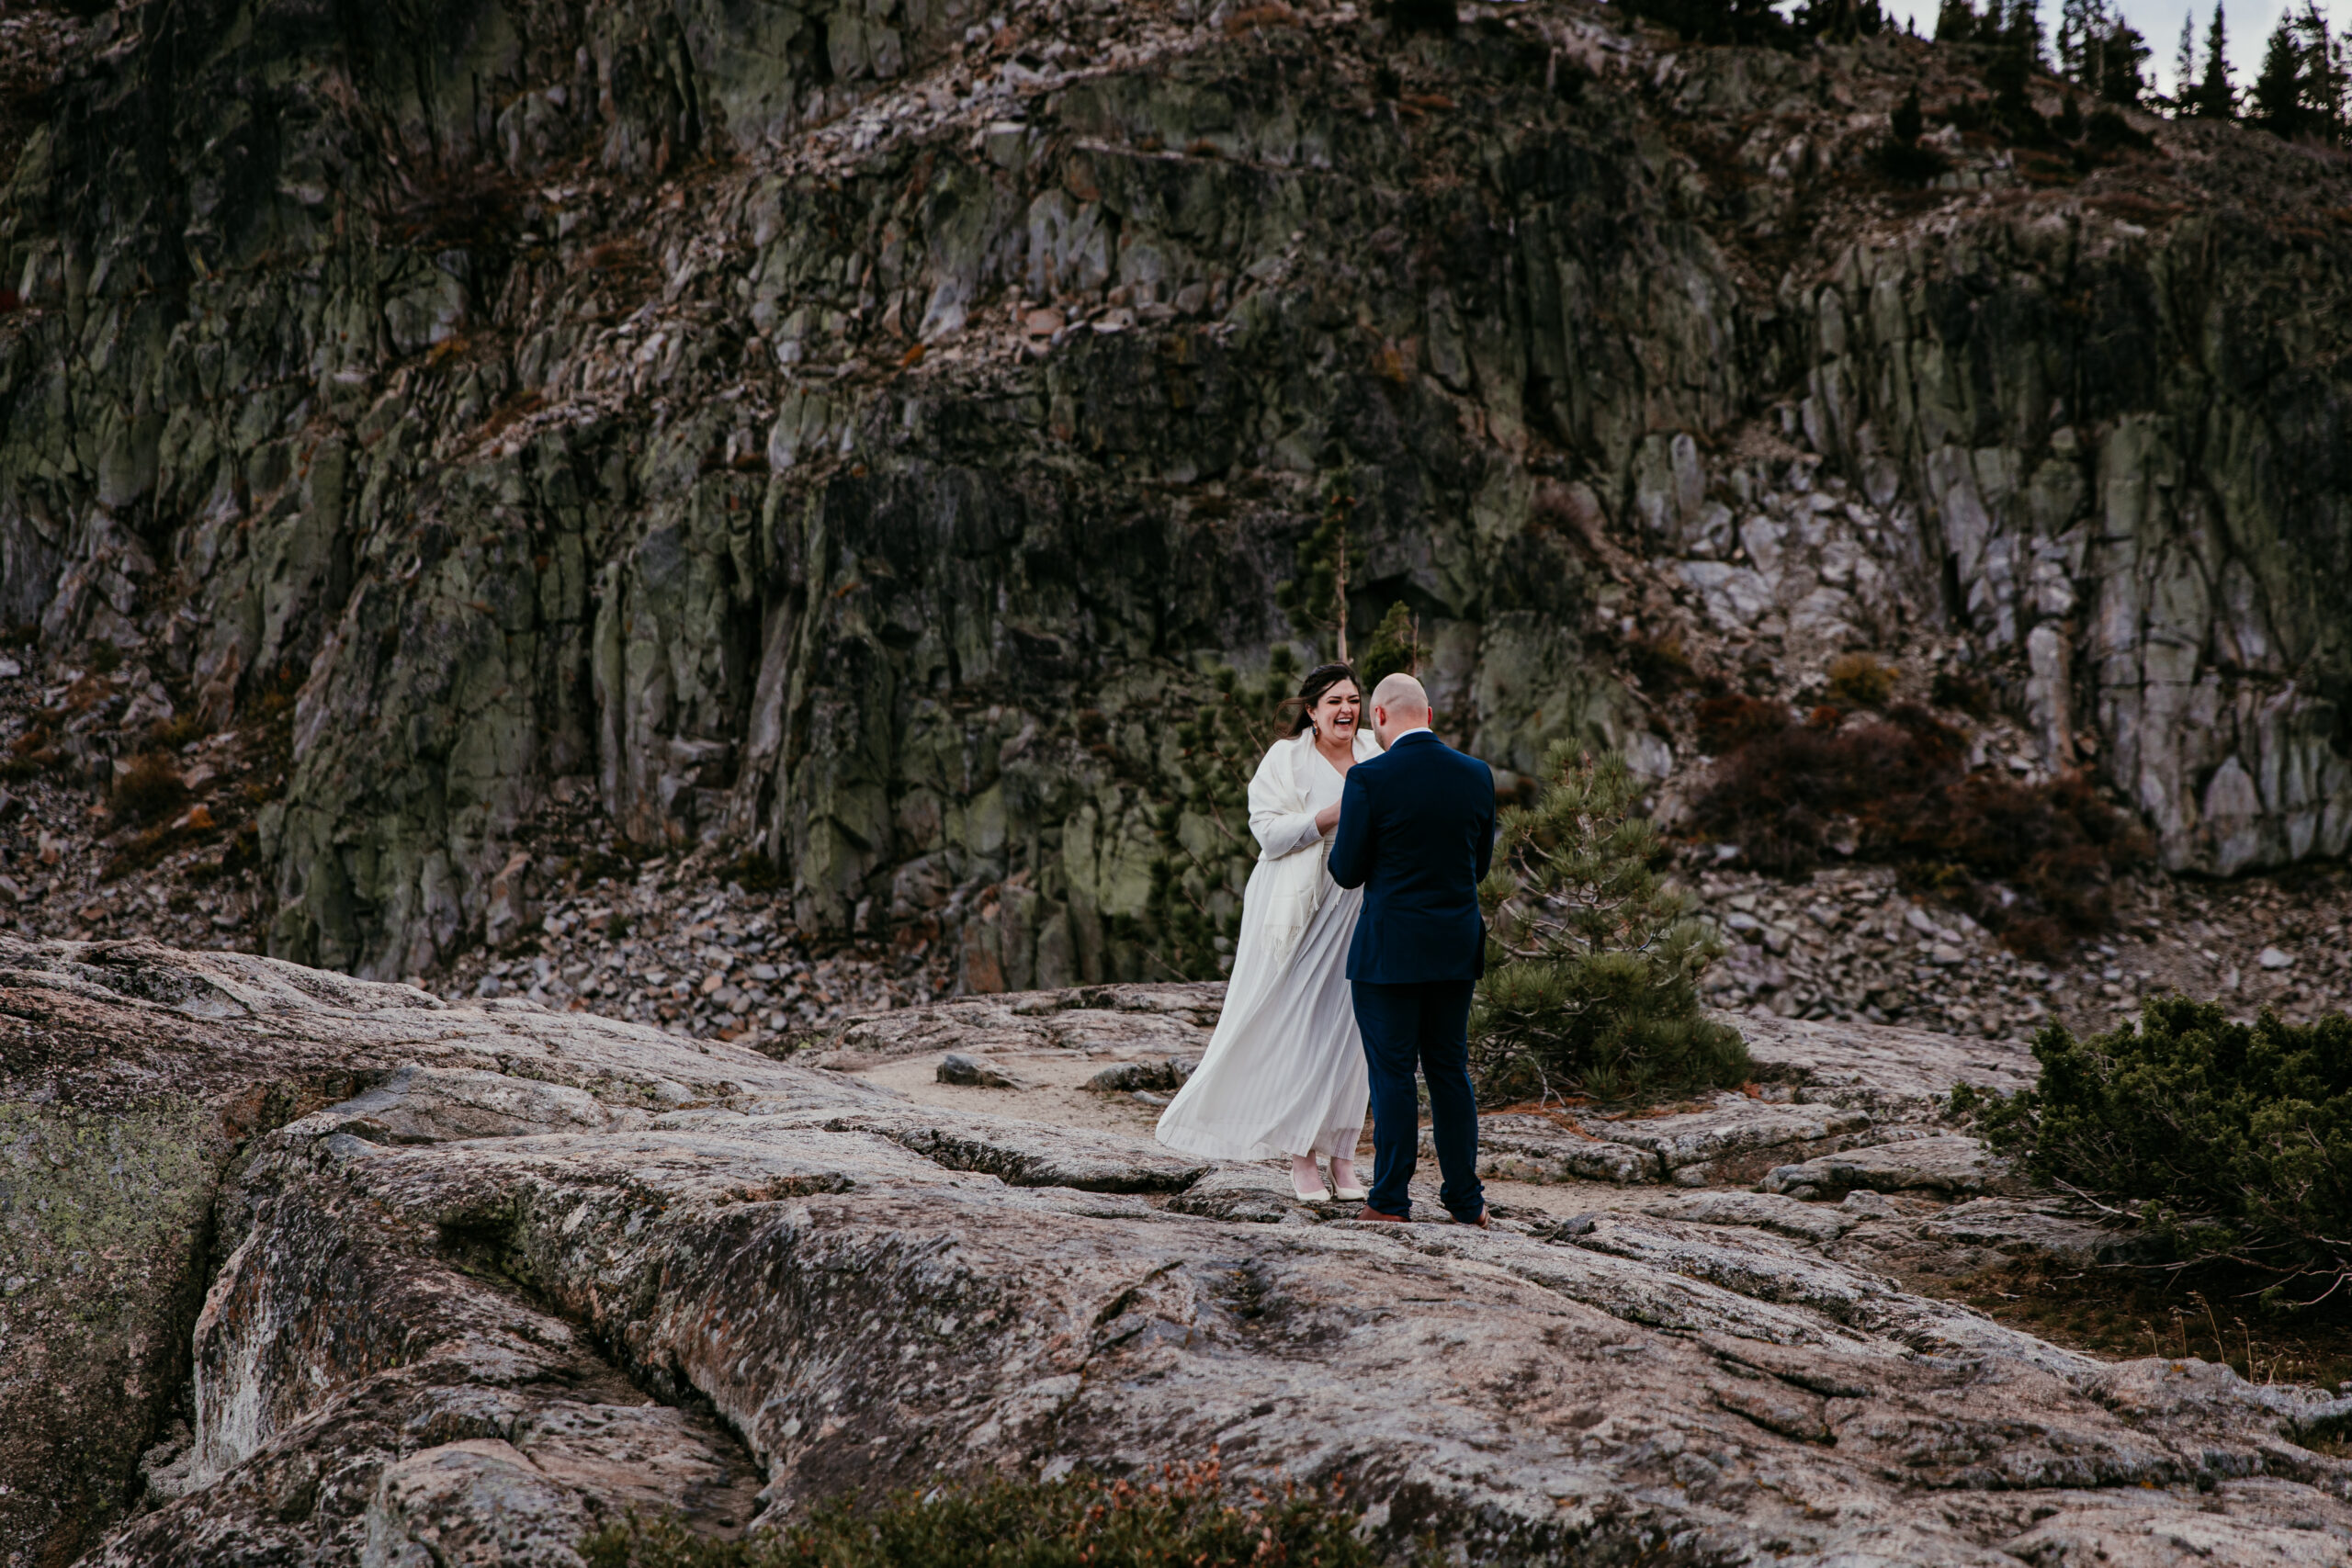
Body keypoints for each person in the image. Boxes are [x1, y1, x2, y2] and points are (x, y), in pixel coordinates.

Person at [1156, 662, 1384, 1201]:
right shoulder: (1286, 758)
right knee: (1300, 1026)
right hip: (1299, 903)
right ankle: (1301, 1157)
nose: (1346, 710)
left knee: (1353, 1031)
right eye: (1334, 702)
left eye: (1353, 700)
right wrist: (1332, 814)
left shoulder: (1378, 753)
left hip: (1363, 904)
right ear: (1311, 710)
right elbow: (1268, 833)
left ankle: (1345, 1157)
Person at [1327, 671, 1495, 1226]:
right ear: (1428, 715)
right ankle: (1467, 1203)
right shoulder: (1476, 775)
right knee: (1449, 1070)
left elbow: (1347, 871)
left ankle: (1390, 1201)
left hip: (1389, 951)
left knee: (1393, 1073)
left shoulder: (1369, 779)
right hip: (1454, 945)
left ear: (1378, 716)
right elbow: (1480, 867)